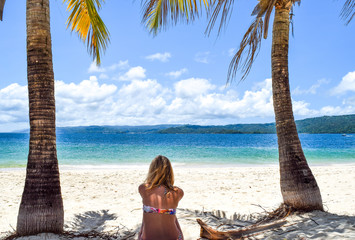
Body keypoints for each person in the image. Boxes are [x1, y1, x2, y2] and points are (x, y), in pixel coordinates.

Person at [138, 155, 184, 240]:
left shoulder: (143, 189)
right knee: (171, 214)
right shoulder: (178, 192)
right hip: (174, 237)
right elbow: (172, 218)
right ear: (170, 171)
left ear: (152, 170)